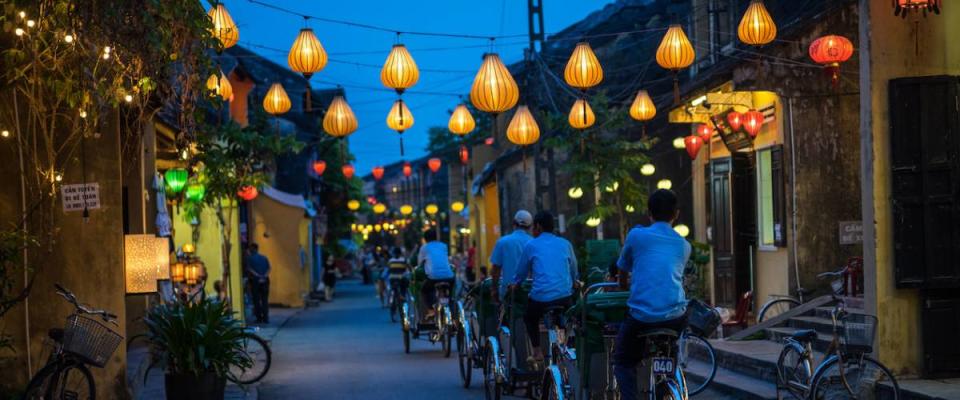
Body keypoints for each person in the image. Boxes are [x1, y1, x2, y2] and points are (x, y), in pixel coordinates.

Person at [613, 189, 691, 400]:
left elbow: (623, 268)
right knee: (671, 340)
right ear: (676, 214)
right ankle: (672, 371)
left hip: (641, 317)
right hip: (675, 316)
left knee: (622, 361)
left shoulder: (636, 236)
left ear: (649, 213)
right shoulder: (684, 245)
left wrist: (623, 288)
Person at [510, 211, 578, 364]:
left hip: (541, 299)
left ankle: (537, 352)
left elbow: (520, 272)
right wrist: (575, 281)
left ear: (538, 227)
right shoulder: (565, 244)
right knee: (570, 317)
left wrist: (515, 284)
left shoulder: (531, 245)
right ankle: (570, 345)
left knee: (529, 317)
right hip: (564, 297)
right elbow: (573, 268)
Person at [489, 210, 534, 301]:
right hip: (531, 291)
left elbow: (495, 270)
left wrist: (494, 290)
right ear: (529, 227)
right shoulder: (534, 243)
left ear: (514, 223)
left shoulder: (502, 242)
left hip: (508, 292)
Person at [418, 229, 455, 317]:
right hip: (449, 276)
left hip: (433, 277)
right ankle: (451, 305)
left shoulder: (424, 248)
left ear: (425, 239)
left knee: (424, 291)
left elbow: (419, 264)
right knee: (451, 291)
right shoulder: (443, 246)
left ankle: (431, 310)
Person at [245, 243, 271, 324]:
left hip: (255, 280)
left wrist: (257, 275)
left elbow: (249, 269)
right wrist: (264, 276)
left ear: (253, 249)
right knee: (264, 300)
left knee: (256, 300)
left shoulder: (249, 258)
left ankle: (259, 318)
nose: (249, 250)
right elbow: (269, 268)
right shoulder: (264, 257)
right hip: (265, 280)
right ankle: (266, 318)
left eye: (250, 248)